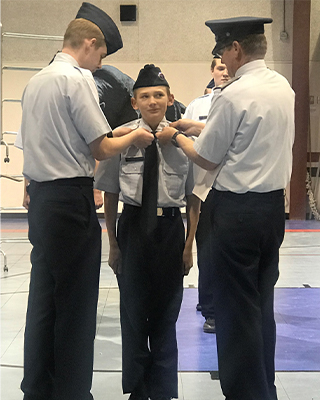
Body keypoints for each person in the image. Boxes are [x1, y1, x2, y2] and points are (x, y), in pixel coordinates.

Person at [19, 3, 154, 400]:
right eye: (101, 56)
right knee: (76, 302)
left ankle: (38, 386)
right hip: (69, 198)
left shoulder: (36, 81)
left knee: (43, 298)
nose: (99, 65)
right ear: (90, 44)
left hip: (42, 199)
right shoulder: (77, 79)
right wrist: (137, 134)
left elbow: (28, 146)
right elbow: (102, 146)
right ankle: (73, 390)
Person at [156, 16, 295, 400]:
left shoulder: (231, 95)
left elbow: (207, 158)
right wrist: (196, 126)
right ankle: (264, 387)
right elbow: (248, 135)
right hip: (271, 210)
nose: (223, 60)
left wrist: (176, 136)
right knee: (260, 303)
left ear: (236, 49)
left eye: (223, 52)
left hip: (237, 212)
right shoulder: (282, 86)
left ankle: (245, 392)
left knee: (235, 310)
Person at [94, 64, 200, 400]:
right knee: (134, 313)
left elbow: (193, 197)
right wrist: (112, 244)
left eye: (158, 95)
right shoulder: (121, 137)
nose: (152, 101)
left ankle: (164, 389)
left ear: (170, 99)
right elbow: (110, 192)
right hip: (133, 229)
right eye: (145, 96)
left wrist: (188, 246)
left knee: (167, 313)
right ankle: (138, 389)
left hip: (170, 229)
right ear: (134, 102)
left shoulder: (184, 142)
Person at [183, 56, 229, 334]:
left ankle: (219, 304)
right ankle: (210, 308)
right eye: (219, 67)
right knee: (208, 250)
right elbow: (186, 142)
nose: (224, 72)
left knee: (226, 251)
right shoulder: (197, 105)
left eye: (227, 67)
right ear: (212, 71)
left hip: (231, 185)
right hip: (203, 189)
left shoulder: (238, 100)